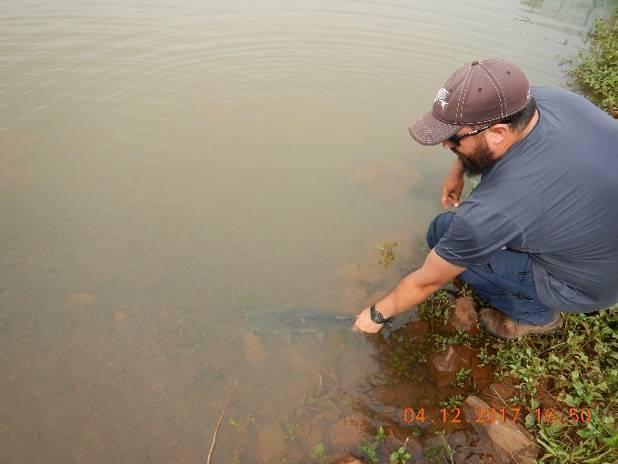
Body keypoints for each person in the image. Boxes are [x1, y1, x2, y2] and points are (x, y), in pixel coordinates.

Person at [353, 58, 618, 339]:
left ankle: (536, 316)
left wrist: (376, 314)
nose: (445, 145)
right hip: (599, 237)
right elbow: (491, 149)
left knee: (442, 232)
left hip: (590, 287)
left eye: (453, 140)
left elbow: (427, 281)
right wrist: (459, 170)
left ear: (498, 133)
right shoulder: (549, 101)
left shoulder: (495, 208)